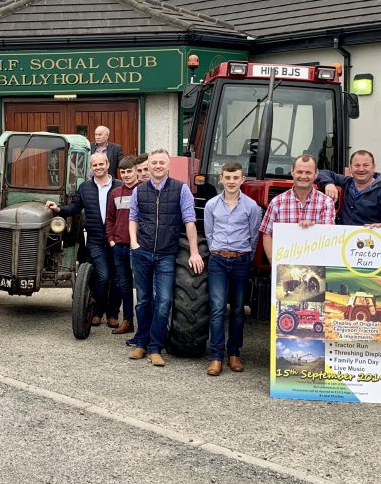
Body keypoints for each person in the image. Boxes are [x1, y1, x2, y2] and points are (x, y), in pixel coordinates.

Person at [127, 148, 204, 367]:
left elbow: (190, 221)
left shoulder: (182, 190)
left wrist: (194, 251)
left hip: (166, 255)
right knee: (143, 300)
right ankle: (141, 343)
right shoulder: (139, 191)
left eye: (162, 162)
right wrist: (134, 242)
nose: (158, 166)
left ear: (169, 165)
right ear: (148, 166)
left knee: (163, 302)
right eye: (154, 163)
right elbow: (133, 218)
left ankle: (155, 347)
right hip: (142, 253)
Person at [48, 152, 120, 327]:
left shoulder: (119, 186)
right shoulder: (85, 187)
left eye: (101, 164)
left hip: (117, 240)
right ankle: (97, 311)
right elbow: (75, 207)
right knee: (102, 276)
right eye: (94, 165)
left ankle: (112, 314)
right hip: (96, 240)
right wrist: (58, 209)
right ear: (91, 168)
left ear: (108, 164)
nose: (98, 167)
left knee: (117, 279)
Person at [203, 161, 261, 376]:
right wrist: (217, 252)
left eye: (235, 178)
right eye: (227, 178)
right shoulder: (211, 205)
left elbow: (254, 236)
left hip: (241, 261)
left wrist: (245, 256)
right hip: (218, 260)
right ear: (221, 179)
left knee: (237, 310)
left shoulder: (252, 207)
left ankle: (234, 354)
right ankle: (217, 356)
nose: (231, 181)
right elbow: (209, 234)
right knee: (217, 308)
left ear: (242, 179)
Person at [260, 154, 336, 262]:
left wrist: (313, 229)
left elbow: (329, 235)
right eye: (300, 172)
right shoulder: (277, 202)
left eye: (308, 172)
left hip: (314, 265)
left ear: (316, 174)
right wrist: (274, 263)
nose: (303, 176)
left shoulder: (326, 203)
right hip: (284, 265)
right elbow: (266, 234)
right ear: (292, 171)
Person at [316, 150, 381, 226]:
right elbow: (320, 173)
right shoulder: (346, 182)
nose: (361, 169)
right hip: (343, 239)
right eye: (357, 165)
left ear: (373, 167)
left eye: (366, 165)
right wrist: (328, 183)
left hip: (371, 240)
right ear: (350, 169)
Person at [105, 155, 139, 334]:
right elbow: (109, 218)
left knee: (141, 287)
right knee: (124, 285)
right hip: (119, 246)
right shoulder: (115, 193)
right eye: (123, 172)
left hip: (137, 247)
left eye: (129, 171)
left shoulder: (142, 191)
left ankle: (144, 326)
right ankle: (127, 321)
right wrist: (111, 239)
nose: (126, 175)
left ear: (136, 171)